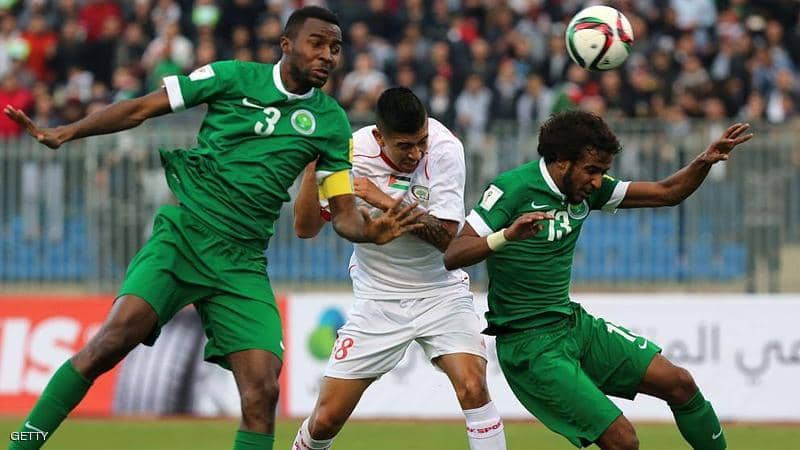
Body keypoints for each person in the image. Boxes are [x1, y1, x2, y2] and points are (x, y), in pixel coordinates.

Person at [5, 7, 422, 450]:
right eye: (316, 43)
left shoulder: (332, 122)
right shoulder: (232, 76)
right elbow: (142, 108)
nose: (327, 55)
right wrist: (66, 132)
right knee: (108, 344)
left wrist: (371, 231)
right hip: (185, 236)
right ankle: (21, 444)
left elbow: (342, 214)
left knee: (263, 391)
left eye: (335, 48)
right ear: (286, 45)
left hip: (241, 262)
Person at [443, 111, 753, 450]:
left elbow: (666, 192)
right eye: (591, 170)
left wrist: (703, 162)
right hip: (529, 346)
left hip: (571, 324)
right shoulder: (512, 188)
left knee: (679, 383)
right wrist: (506, 235)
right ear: (562, 161)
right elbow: (454, 253)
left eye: (602, 172)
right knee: (623, 441)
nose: (596, 182)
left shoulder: (586, 189)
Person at [291, 87, 507, 450]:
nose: (416, 153)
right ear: (379, 137)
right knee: (325, 419)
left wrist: (382, 200)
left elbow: (447, 239)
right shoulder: (351, 154)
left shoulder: (445, 148)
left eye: (421, 141)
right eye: (405, 146)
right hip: (378, 298)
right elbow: (305, 228)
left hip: (440, 291)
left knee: (473, 386)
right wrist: (314, 168)